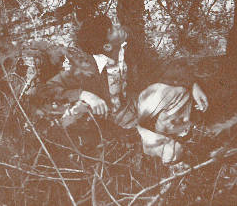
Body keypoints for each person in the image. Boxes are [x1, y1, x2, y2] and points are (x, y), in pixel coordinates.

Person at [34, 14, 209, 164]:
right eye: (112, 30)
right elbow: (45, 90)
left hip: (134, 106)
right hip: (115, 127)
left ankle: (161, 133)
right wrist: (85, 94)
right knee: (174, 153)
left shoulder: (127, 49)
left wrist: (191, 83)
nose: (118, 27)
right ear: (106, 46)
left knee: (179, 93)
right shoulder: (85, 68)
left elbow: (156, 67)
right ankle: (150, 145)